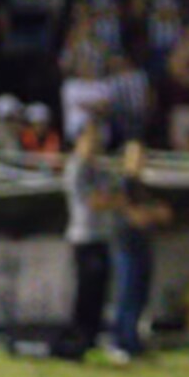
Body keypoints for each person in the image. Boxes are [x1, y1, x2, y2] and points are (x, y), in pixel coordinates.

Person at [62, 122, 123, 353]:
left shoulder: (98, 167)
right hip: (84, 237)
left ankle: (93, 336)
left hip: (101, 236)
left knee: (99, 291)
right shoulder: (77, 167)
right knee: (85, 291)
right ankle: (80, 338)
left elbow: (115, 192)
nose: (95, 143)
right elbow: (95, 201)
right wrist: (114, 201)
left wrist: (113, 199)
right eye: (90, 138)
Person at [111, 141, 172, 362]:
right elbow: (136, 216)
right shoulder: (122, 185)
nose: (140, 161)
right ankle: (120, 342)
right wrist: (153, 213)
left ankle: (133, 342)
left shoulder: (141, 186)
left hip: (142, 245)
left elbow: (160, 213)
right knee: (126, 295)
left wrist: (152, 213)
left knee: (139, 296)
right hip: (127, 246)